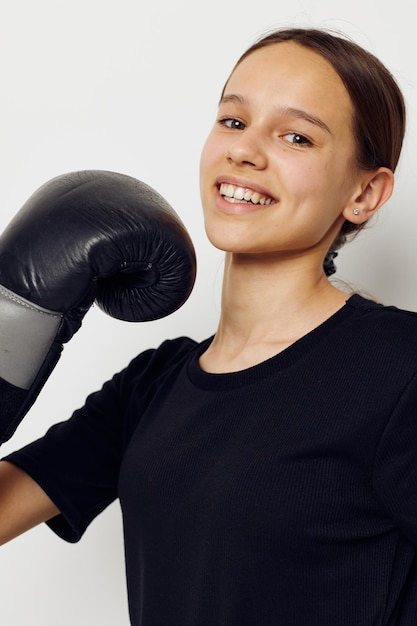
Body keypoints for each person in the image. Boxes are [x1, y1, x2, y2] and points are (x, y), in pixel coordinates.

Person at [0, 26, 416, 626]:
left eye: (296, 136)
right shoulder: (155, 384)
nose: (244, 151)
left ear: (365, 192)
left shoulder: (399, 368)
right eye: (233, 120)